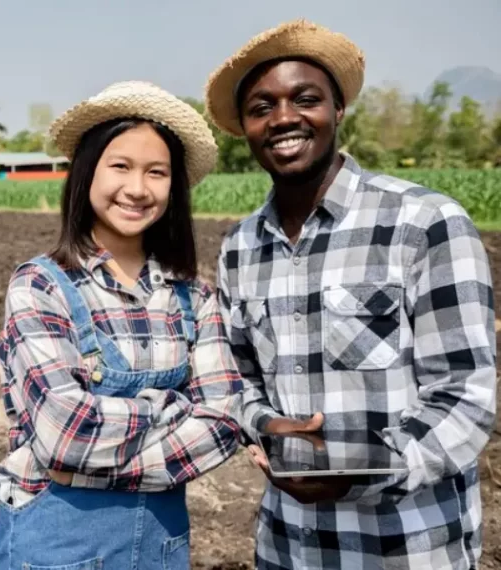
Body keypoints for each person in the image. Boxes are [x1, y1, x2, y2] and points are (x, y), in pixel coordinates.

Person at [205, 19, 497, 569]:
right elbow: (237, 377)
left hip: (407, 547)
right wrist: (266, 425)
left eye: (305, 99)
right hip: (288, 547)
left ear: (338, 110)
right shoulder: (240, 247)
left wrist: (366, 469)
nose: (284, 118)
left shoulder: (424, 222)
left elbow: (465, 397)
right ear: (244, 127)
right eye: (261, 107)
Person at [0, 81, 244, 569]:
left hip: (161, 547)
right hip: (58, 549)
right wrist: (173, 408)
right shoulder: (40, 287)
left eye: (157, 172)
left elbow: (225, 422)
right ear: (87, 172)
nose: (137, 188)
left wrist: (87, 459)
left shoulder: (194, 297)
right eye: (120, 166)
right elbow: (65, 435)